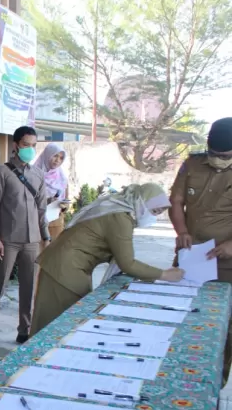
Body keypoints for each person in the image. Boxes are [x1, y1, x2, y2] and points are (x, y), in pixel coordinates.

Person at [32, 183, 185, 335]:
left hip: (64, 263)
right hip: (65, 268)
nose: (153, 217)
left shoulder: (117, 210)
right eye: (153, 211)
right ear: (141, 202)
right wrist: (164, 275)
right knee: (61, 324)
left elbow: (119, 254)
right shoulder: (120, 218)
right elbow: (127, 263)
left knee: (57, 320)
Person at [169, 117, 232, 381]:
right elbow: (176, 201)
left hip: (226, 264)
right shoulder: (191, 164)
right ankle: (176, 376)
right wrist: (182, 231)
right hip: (190, 257)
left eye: (225, 156)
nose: (218, 160)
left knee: (223, 327)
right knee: (179, 314)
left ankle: (214, 384)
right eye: (214, 153)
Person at [0, 126, 50, 348]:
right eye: (26, 145)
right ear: (16, 145)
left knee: (29, 287)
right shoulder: (1, 172)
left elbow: (42, 210)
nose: (30, 149)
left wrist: (46, 237)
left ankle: (24, 330)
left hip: (32, 240)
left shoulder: (38, 174)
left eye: (33, 145)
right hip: (7, 239)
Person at [36, 143, 70, 240]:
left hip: (56, 224)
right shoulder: (33, 175)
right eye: (55, 156)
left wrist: (64, 207)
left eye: (61, 158)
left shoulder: (62, 179)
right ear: (47, 154)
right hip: (36, 225)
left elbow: (66, 201)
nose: (57, 160)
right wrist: (48, 201)